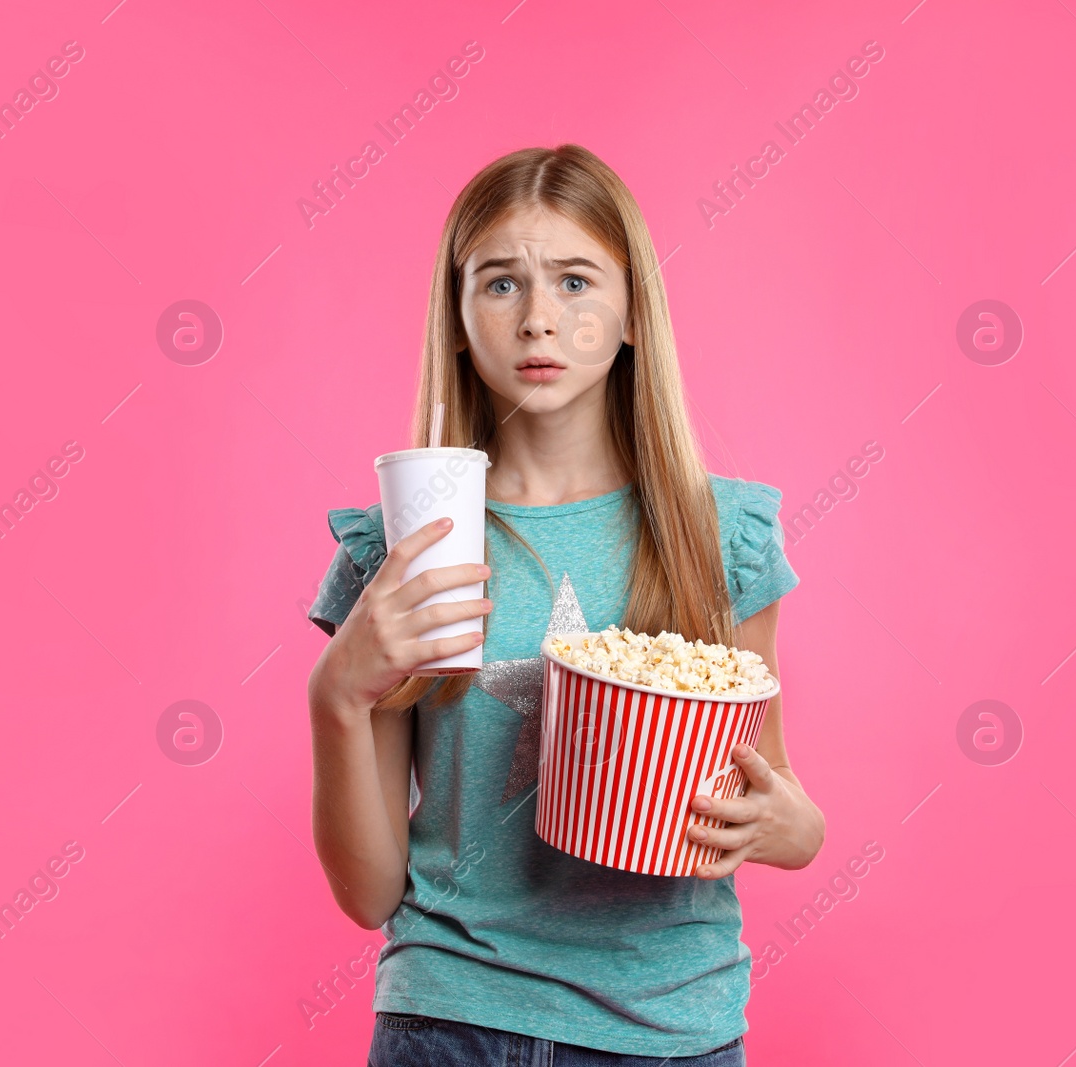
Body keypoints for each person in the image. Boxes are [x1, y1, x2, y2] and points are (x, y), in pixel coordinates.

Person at [305, 144, 825, 1066]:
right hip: (448, 1020)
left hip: (670, 1030)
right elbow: (370, 893)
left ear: (632, 314)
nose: (541, 319)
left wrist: (793, 832)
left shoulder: (721, 537)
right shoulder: (403, 549)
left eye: (577, 281)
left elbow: (776, 791)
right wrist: (335, 697)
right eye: (501, 284)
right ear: (458, 318)